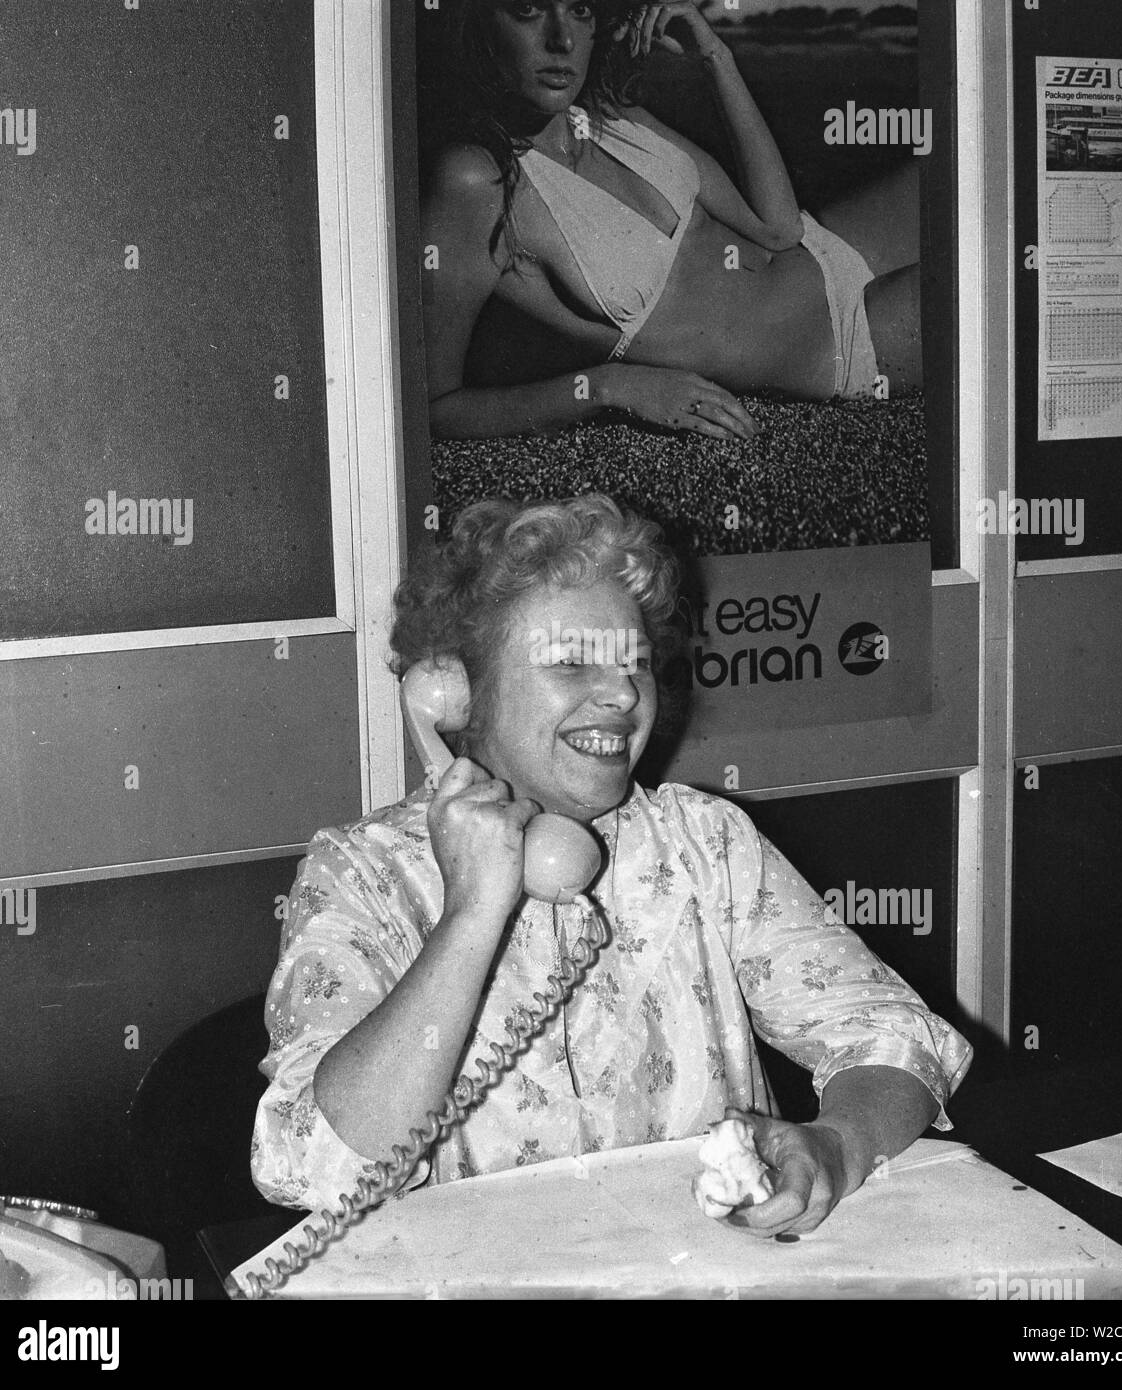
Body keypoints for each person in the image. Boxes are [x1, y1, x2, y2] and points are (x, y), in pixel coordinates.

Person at [252, 494, 972, 1240]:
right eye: (570, 661)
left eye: (635, 664)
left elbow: (892, 1032)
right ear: (459, 695)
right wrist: (470, 915)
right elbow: (314, 1167)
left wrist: (837, 1143)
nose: (625, 695)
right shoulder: (362, 874)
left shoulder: (705, 843)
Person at [421, 1, 924, 443]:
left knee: (973, 163)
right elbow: (437, 404)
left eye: (580, 9)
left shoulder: (611, 116)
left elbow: (779, 229)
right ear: (480, 25)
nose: (562, 39)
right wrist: (608, 386)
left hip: (828, 245)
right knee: (991, 280)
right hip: (845, 341)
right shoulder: (476, 180)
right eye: (528, 9)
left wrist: (715, 57)